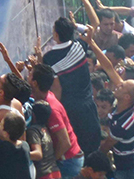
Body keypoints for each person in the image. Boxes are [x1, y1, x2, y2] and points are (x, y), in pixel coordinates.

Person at [84, 27, 134, 179]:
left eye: (122, 86)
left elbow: (105, 147)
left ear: (126, 97)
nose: (119, 84)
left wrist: (90, 163)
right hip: (133, 164)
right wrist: (91, 43)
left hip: (128, 172)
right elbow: (109, 68)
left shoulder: (123, 123)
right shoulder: (129, 103)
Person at [42, 16, 101, 156]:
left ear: (56, 34)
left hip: (70, 110)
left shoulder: (49, 58)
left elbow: (57, 90)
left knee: (76, 148)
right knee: (91, 146)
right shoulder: (79, 46)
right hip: (89, 106)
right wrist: (74, 26)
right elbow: (90, 29)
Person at [29, 63, 84, 179]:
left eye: (29, 75)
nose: (27, 77)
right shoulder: (42, 95)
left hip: (68, 161)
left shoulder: (52, 109)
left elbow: (65, 143)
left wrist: (49, 163)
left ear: (35, 83)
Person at [27, 100, 61, 179]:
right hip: (53, 176)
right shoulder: (45, 129)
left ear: (33, 115)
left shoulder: (33, 131)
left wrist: (18, 153)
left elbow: (38, 154)